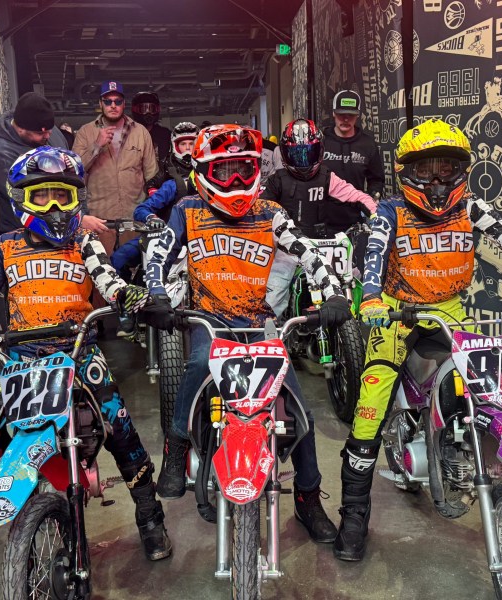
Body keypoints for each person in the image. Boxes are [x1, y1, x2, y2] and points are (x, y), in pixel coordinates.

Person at [332, 119, 502, 561]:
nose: (436, 181)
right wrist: (370, 297)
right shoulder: (390, 211)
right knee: (370, 407)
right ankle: (354, 513)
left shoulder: (470, 208)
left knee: (493, 395)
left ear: (462, 171)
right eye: (425, 169)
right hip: (395, 313)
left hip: (449, 309)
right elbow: (374, 254)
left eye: (446, 169)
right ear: (405, 171)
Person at [0, 147, 172, 564]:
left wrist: (126, 296)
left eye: (62, 195)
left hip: (78, 352)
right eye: (41, 196)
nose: (54, 206)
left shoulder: (84, 241)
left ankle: (150, 516)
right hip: (20, 359)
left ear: (77, 197)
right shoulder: (6, 246)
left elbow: (108, 279)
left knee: (120, 429)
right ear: (21, 198)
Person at [145, 124, 353, 543]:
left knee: (299, 412)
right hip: (209, 320)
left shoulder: (271, 213)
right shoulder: (187, 209)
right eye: (225, 171)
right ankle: (177, 445)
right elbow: (157, 253)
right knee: (198, 362)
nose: (236, 180)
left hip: (260, 325)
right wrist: (157, 294)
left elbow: (308, 254)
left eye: (244, 169)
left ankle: (309, 498)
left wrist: (333, 293)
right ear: (203, 171)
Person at [72, 81, 159, 253]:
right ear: (100, 104)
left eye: (118, 101)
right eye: (108, 101)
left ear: (124, 104)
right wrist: (97, 145)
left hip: (134, 219)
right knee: (101, 266)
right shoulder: (85, 132)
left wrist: (152, 211)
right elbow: (75, 171)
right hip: (99, 221)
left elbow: (152, 174)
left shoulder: (140, 132)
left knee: (135, 267)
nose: (113, 105)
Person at [112, 122, 200, 283]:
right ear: (175, 147)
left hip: (203, 240)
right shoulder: (174, 184)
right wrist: (152, 218)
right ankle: (127, 295)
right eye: (183, 144)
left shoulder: (218, 185)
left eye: (192, 144)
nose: (188, 148)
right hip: (167, 239)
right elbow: (141, 209)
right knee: (119, 258)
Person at [261, 118, 376, 239]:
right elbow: (259, 208)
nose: (303, 160)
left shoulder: (325, 177)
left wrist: (375, 215)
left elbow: (357, 196)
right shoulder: (277, 181)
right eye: (296, 155)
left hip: (318, 243)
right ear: (284, 153)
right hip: (284, 243)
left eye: (309, 153)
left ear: (320, 150)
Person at [0, 92, 70, 234]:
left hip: (61, 224)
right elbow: (28, 199)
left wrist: (81, 214)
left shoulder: (48, 130)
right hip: (23, 233)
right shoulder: (0, 154)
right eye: (40, 133)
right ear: (20, 129)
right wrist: (75, 218)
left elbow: (73, 175)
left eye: (49, 130)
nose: (48, 136)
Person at [321, 90, 384, 203]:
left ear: (357, 115)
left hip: (356, 209)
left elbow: (376, 179)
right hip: (323, 210)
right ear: (334, 113)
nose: (346, 119)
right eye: (341, 114)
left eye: (351, 115)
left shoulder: (367, 144)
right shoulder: (321, 141)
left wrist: (374, 196)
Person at [131, 91, 171, 164]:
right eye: (143, 109)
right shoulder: (128, 135)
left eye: (152, 109)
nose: (148, 113)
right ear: (135, 110)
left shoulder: (165, 135)